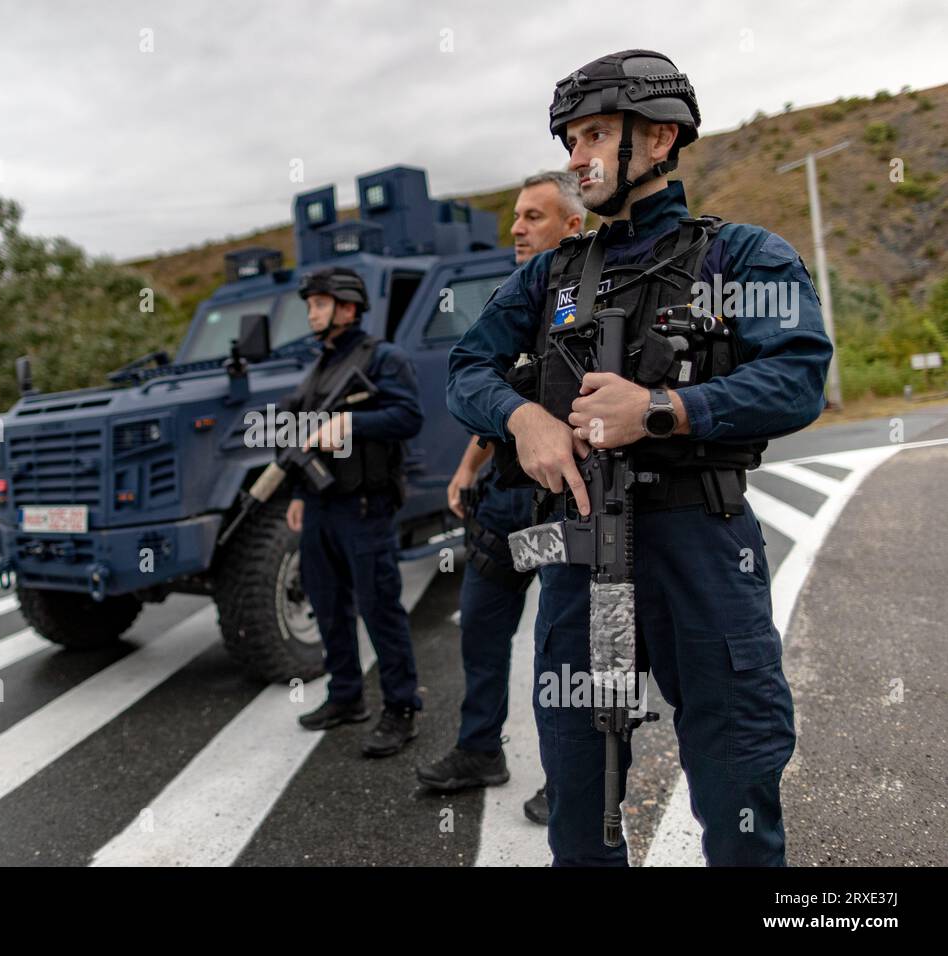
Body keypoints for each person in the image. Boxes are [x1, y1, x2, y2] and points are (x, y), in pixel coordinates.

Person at [446, 50, 833, 865]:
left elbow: (798, 376)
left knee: (737, 786)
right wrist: (524, 422)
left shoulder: (740, 257)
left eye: (595, 136)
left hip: (698, 543)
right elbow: (466, 368)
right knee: (580, 801)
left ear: (658, 141)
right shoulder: (551, 275)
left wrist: (663, 409)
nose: (576, 157)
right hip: (583, 552)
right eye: (570, 140)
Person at [417, 172, 585, 829]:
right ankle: (479, 748)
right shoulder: (514, 303)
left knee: (573, 650)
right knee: (482, 628)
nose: (515, 228)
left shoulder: (598, 299)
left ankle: (573, 779)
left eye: (533, 217)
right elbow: (495, 405)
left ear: (572, 226)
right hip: (505, 508)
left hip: (569, 510)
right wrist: (464, 472)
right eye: (515, 216)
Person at [285, 267, 426, 756]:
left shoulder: (384, 358)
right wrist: (301, 497)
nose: (312, 313)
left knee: (379, 608)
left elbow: (409, 417)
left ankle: (401, 708)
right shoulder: (320, 366)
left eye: (320, 304)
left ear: (347, 307)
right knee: (327, 605)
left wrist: (350, 422)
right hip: (322, 505)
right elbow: (304, 436)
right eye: (310, 305)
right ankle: (345, 696)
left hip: (365, 506)